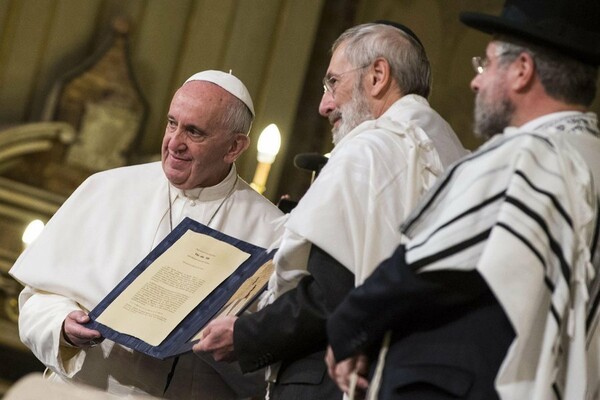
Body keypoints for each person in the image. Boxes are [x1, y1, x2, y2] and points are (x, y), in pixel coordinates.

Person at [325, 1, 600, 399]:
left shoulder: (528, 155)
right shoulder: (589, 156)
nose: (476, 81)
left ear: (522, 70)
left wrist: (347, 329)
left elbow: (418, 266)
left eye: (486, 65)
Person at [195, 22, 467, 399]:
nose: (324, 104)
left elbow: (331, 294)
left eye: (333, 83)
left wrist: (245, 334)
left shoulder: (368, 151)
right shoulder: (453, 155)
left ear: (377, 76)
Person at [9, 70, 285, 399]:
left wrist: (228, 342)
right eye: (172, 123)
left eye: (194, 131)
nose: (174, 143)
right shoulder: (107, 189)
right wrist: (63, 325)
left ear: (234, 147)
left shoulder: (273, 231)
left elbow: (273, 356)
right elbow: (37, 298)